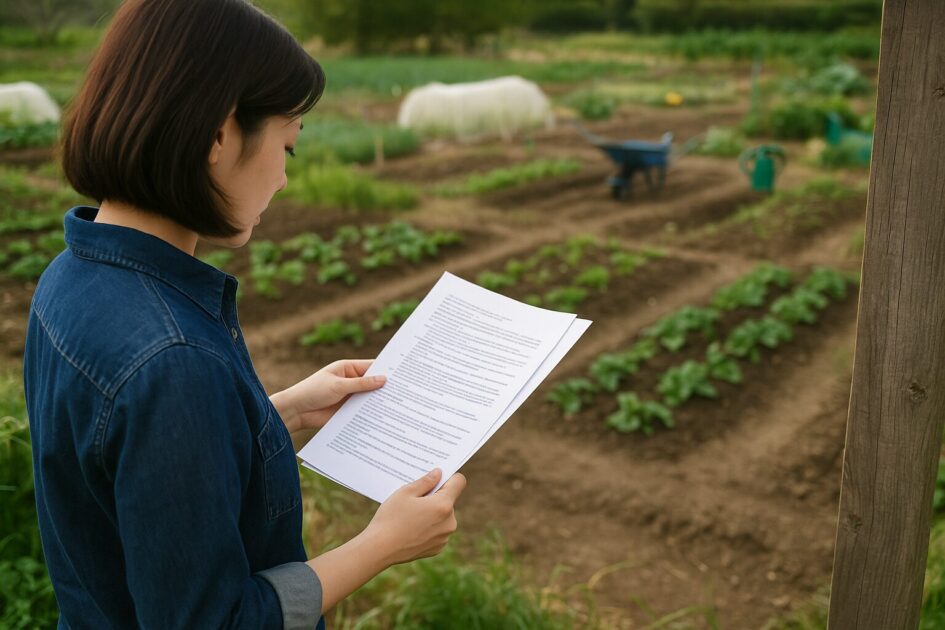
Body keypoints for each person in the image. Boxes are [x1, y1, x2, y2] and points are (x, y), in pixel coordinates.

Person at [22, 1, 466, 628]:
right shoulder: (174, 362)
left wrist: (276, 412)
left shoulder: (71, 275)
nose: (284, 178)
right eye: (287, 146)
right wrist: (382, 545)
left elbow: (125, 473)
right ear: (218, 134)